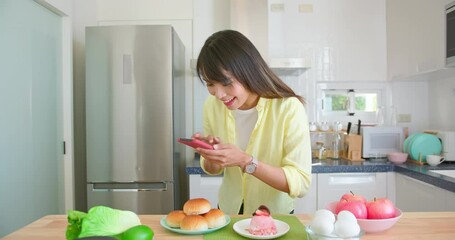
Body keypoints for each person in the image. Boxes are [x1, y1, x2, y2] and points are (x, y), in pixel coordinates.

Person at [192, 29, 312, 215]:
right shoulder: (212, 105)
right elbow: (212, 169)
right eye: (210, 84)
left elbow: (301, 183)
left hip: (273, 217)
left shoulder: (288, 108)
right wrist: (211, 157)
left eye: (226, 83)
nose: (219, 94)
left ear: (247, 71)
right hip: (227, 211)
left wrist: (246, 161)